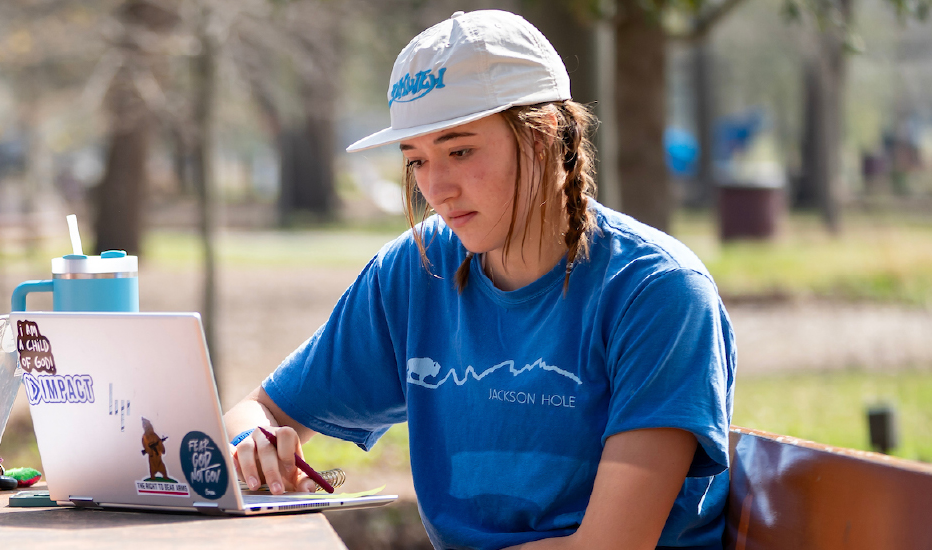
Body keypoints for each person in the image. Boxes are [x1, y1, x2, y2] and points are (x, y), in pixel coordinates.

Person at [221, 11, 734, 550]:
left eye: (459, 151)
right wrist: (249, 444)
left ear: (546, 136)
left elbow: (607, 546)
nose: (435, 189)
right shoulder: (414, 271)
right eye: (415, 160)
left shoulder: (658, 293)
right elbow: (262, 408)